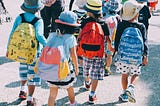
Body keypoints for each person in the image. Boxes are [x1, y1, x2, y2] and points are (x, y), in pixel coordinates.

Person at [6, 0, 47, 105]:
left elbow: (12, 32)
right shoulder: (38, 20)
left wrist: (8, 49)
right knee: (32, 75)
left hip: (20, 51)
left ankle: (22, 90)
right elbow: (39, 36)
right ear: (37, 9)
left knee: (23, 71)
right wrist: (48, 45)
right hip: (33, 53)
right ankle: (30, 98)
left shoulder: (20, 17)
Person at [114, 1, 148, 103]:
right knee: (136, 74)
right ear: (136, 13)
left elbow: (117, 41)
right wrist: (145, 55)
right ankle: (131, 87)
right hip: (136, 57)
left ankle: (125, 94)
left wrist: (116, 52)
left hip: (123, 57)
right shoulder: (141, 26)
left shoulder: (121, 25)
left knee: (124, 75)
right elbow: (145, 42)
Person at [80, 0, 110, 103]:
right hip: (98, 52)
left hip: (86, 50)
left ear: (89, 11)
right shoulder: (103, 23)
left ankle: (87, 82)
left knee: (86, 68)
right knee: (95, 72)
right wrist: (109, 49)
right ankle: (92, 94)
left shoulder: (84, 22)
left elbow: (80, 35)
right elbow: (107, 38)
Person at [47, 11, 79, 106]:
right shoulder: (71, 38)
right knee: (69, 88)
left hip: (51, 69)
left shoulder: (52, 34)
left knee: (52, 94)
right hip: (65, 69)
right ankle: (73, 103)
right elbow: (73, 55)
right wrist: (76, 68)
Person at [103, 0, 122, 76]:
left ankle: (102, 66)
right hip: (112, 40)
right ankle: (107, 68)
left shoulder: (104, 16)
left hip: (104, 39)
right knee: (109, 54)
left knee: (102, 54)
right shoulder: (117, 18)